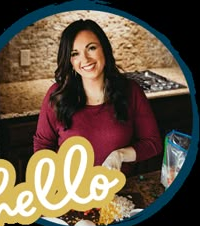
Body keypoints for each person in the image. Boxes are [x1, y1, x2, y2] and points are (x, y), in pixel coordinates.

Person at [33, 19, 163, 177]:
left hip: (118, 193)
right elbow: (42, 148)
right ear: (70, 61)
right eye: (75, 54)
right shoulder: (57, 96)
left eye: (91, 48)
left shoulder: (131, 91)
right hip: (70, 193)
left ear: (104, 50)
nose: (85, 59)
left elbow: (153, 143)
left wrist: (120, 155)